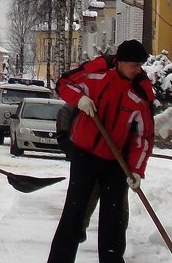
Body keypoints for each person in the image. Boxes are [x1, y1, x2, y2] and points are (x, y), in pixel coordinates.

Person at [46, 39, 155, 263]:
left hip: (117, 162)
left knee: (114, 216)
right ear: (121, 61)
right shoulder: (96, 74)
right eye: (134, 65)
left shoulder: (139, 95)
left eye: (140, 65)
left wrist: (137, 170)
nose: (138, 69)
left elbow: (143, 137)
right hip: (85, 153)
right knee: (75, 208)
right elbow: (64, 84)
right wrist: (80, 100)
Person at [55, 101, 129, 244]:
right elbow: (65, 112)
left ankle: (115, 238)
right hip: (88, 155)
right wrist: (64, 138)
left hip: (117, 158)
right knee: (86, 196)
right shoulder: (90, 94)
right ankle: (76, 231)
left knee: (118, 204)